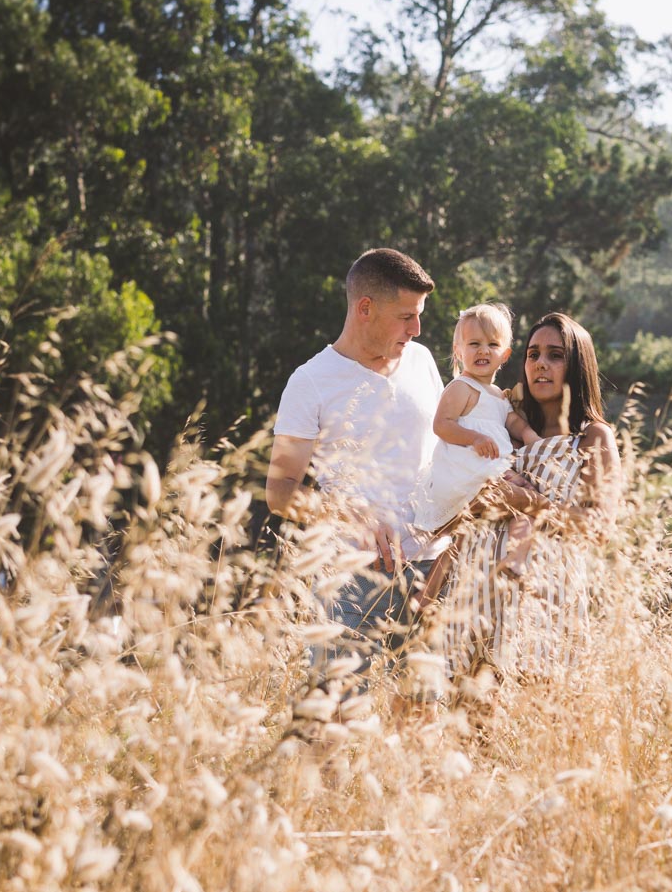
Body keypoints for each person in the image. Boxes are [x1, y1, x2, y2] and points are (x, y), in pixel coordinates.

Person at [265, 247, 447, 702]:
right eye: (406, 316)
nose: (417, 329)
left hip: (434, 569)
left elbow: (447, 449)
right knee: (336, 713)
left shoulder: (422, 360)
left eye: (419, 316)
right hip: (351, 576)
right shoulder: (311, 381)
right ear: (365, 309)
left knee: (423, 716)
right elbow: (280, 489)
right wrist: (349, 513)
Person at [442, 311, 622, 684]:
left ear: (577, 365)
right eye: (533, 354)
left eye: (555, 355)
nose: (541, 364)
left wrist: (528, 504)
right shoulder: (503, 427)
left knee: (539, 726)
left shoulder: (592, 438)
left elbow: (599, 530)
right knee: (470, 729)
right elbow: (461, 501)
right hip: (478, 591)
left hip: (546, 597)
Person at [415, 303, 540, 577]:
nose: (483, 350)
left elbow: (512, 422)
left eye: (492, 344)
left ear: (504, 354)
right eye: (474, 343)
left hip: (488, 466)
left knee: (523, 510)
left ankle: (516, 557)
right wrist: (473, 438)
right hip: (469, 468)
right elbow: (441, 425)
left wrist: (532, 437)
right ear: (459, 351)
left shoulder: (497, 394)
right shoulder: (462, 387)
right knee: (527, 496)